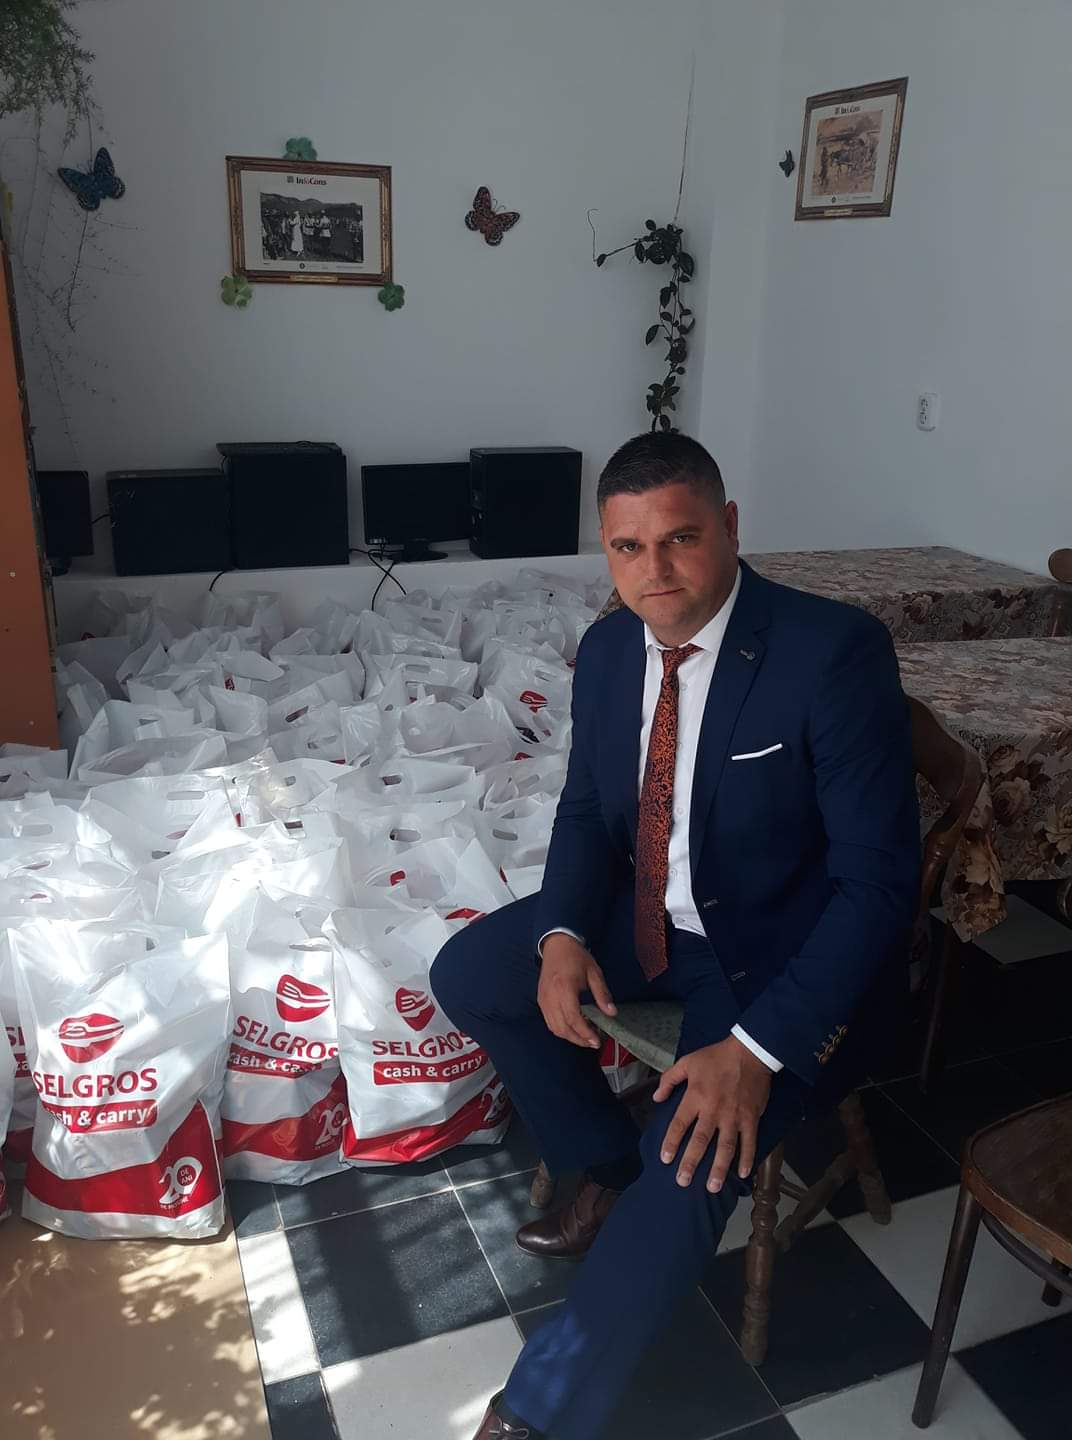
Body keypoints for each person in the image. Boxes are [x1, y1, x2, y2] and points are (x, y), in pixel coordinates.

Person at [430, 432, 920, 1440]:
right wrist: (564, 931)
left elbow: (877, 890)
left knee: (693, 1152)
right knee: (474, 970)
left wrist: (756, 1049)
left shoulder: (830, 651)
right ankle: (607, 1170)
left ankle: (539, 1413)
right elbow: (583, 809)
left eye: (680, 538)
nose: (653, 570)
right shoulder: (612, 648)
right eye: (627, 547)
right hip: (649, 915)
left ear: (729, 527)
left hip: (777, 953)